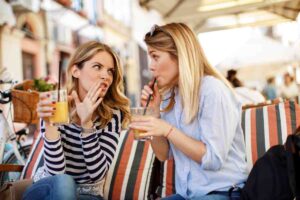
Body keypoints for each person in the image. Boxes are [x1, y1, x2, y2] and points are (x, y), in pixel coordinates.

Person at [129, 23, 248, 200]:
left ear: (179, 55)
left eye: (155, 57)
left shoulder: (212, 90)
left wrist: (168, 130)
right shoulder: (170, 95)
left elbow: (212, 158)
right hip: (188, 195)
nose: (151, 66)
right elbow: (163, 155)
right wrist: (154, 113)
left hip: (223, 192)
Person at [23, 41, 130, 200]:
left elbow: (97, 174)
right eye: (97, 67)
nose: (105, 76)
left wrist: (87, 125)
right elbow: (56, 172)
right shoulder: (56, 105)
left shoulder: (113, 115)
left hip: (88, 194)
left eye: (110, 71)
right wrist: (49, 124)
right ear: (75, 71)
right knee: (64, 182)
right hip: (48, 190)